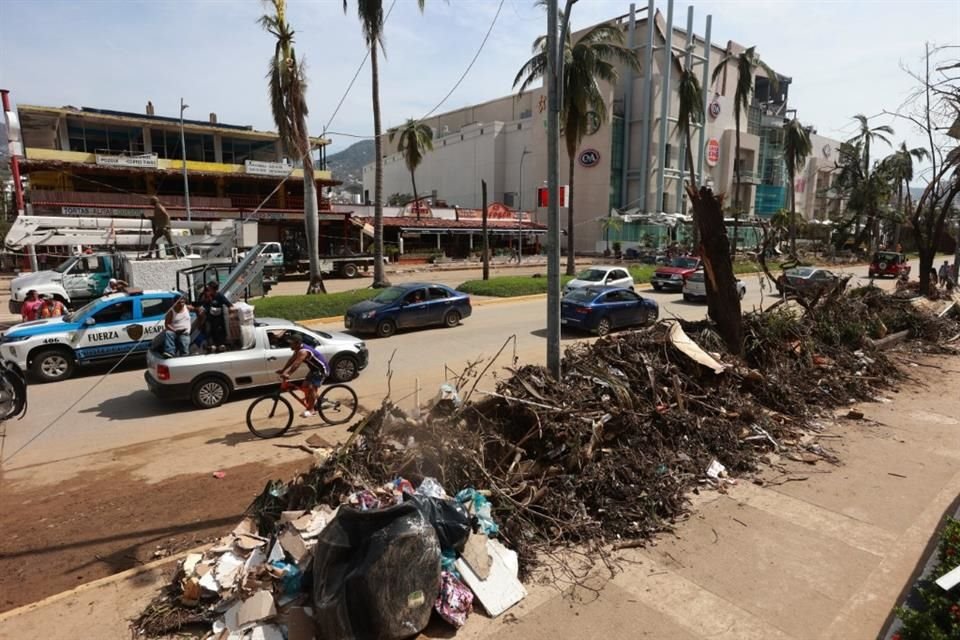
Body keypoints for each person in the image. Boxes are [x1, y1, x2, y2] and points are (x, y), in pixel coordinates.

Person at [275, 332, 330, 418]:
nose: (289, 345)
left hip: (321, 370)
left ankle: (311, 410)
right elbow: (292, 360)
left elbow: (297, 364)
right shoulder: (298, 349)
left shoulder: (303, 352)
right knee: (305, 386)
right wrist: (283, 370)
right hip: (314, 370)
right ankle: (319, 400)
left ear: (297, 343)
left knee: (311, 387)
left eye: (291, 343)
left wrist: (288, 373)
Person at [198, 281, 232, 350]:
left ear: (212, 288)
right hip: (209, 318)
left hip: (218, 318)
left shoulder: (219, 296)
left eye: (209, 287)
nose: (208, 289)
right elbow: (203, 305)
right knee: (208, 330)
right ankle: (211, 345)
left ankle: (220, 344)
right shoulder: (207, 296)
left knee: (219, 331)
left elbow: (229, 305)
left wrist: (231, 312)